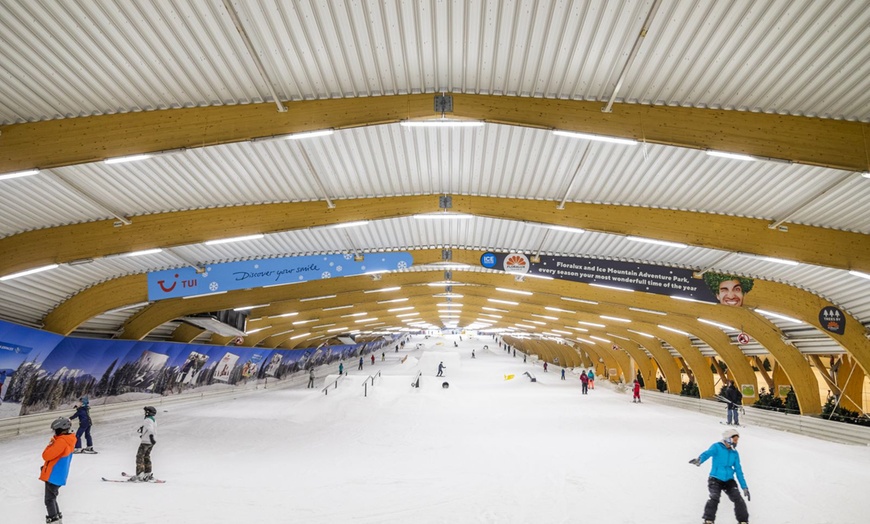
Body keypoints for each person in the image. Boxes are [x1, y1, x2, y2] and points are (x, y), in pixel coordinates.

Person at [688, 428, 750, 524]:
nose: (736, 442)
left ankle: (743, 521)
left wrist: (744, 487)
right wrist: (699, 460)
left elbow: (738, 471)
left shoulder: (734, 453)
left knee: (738, 498)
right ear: (728, 438)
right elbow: (707, 453)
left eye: (737, 440)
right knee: (714, 497)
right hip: (715, 479)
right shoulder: (717, 447)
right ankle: (708, 520)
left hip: (729, 480)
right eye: (735, 439)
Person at [40, 417, 76, 523]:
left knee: (49, 500)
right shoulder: (69, 439)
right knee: (52, 498)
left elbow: (46, 456)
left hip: (53, 474)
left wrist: (51, 442)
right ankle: (57, 520)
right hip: (58, 474)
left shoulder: (61, 442)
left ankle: (54, 520)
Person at [131, 406, 157, 482]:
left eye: (146, 411)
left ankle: (140, 475)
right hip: (151, 442)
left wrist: (150, 437)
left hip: (146, 441)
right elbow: (150, 428)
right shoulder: (153, 419)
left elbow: (150, 429)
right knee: (146, 456)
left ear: (148, 412)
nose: (145, 413)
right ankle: (147, 473)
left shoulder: (147, 419)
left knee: (139, 457)